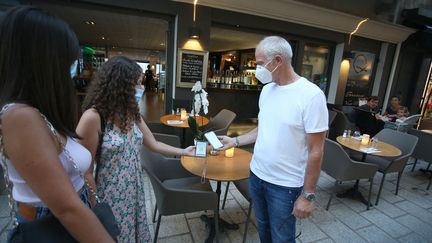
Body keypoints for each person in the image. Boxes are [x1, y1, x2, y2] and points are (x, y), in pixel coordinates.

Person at [0, 6, 114, 242]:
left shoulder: (40, 113)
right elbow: (67, 209)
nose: (72, 68)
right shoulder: (20, 116)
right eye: (68, 59)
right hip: (52, 224)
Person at [219, 36, 328, 243]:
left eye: (259, 63)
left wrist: (308, 195)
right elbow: (263, 128)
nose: (257, 68)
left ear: (278, 60)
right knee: (264, 231)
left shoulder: (311, 96)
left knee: (282, 238)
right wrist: (235, 141)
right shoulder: (267, 90)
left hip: (285, 185)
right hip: (257, 176)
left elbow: (316, 150)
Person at [76, 56, 195, 242]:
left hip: (134, 188)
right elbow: (84, 171)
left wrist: (183, 151)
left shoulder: (131, 113)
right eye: (137, 84)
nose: (141, 88)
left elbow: (153, 144)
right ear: (120, 85)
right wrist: (96, 208)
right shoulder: (94, 117)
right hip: (110, 195)